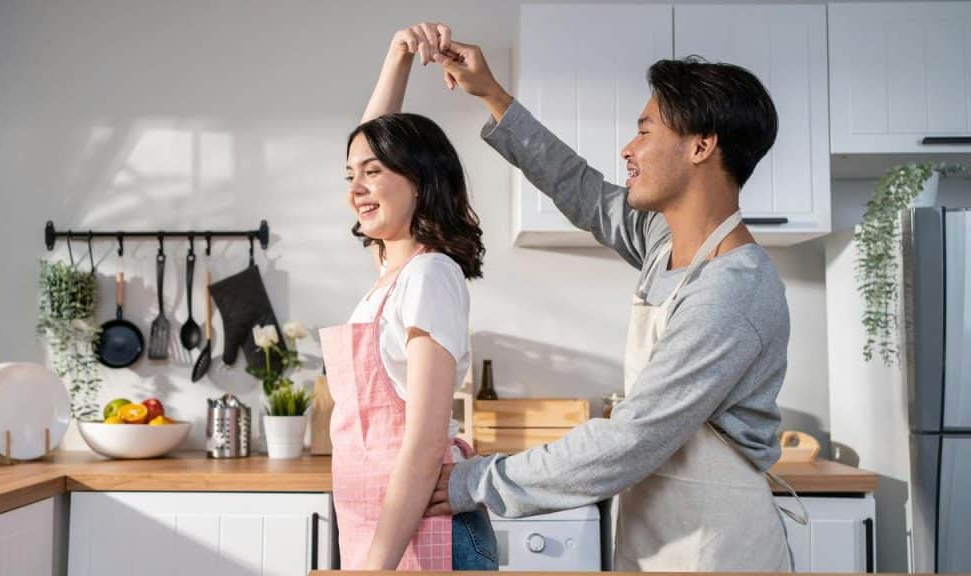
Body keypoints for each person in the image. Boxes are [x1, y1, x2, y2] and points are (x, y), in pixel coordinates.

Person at [423, 27, 806, 572]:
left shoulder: (733, 288)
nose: (628, 149)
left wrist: (476, 481)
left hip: (719, 551)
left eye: (645, 131)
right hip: (658, 539)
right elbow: (581, 190)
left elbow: (630, 439)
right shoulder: (664, 241)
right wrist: (492, 95)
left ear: (701, 146)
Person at [318, 23, 497, 571]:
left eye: (372, 172)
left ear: (418, 179)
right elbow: (375, 137)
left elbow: (422, 442)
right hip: (387, 533)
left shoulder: (429, 275)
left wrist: (376, 567)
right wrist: (397, 56)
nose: (355, 188)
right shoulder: (389, 274)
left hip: (425, 537)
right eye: (350, 175)